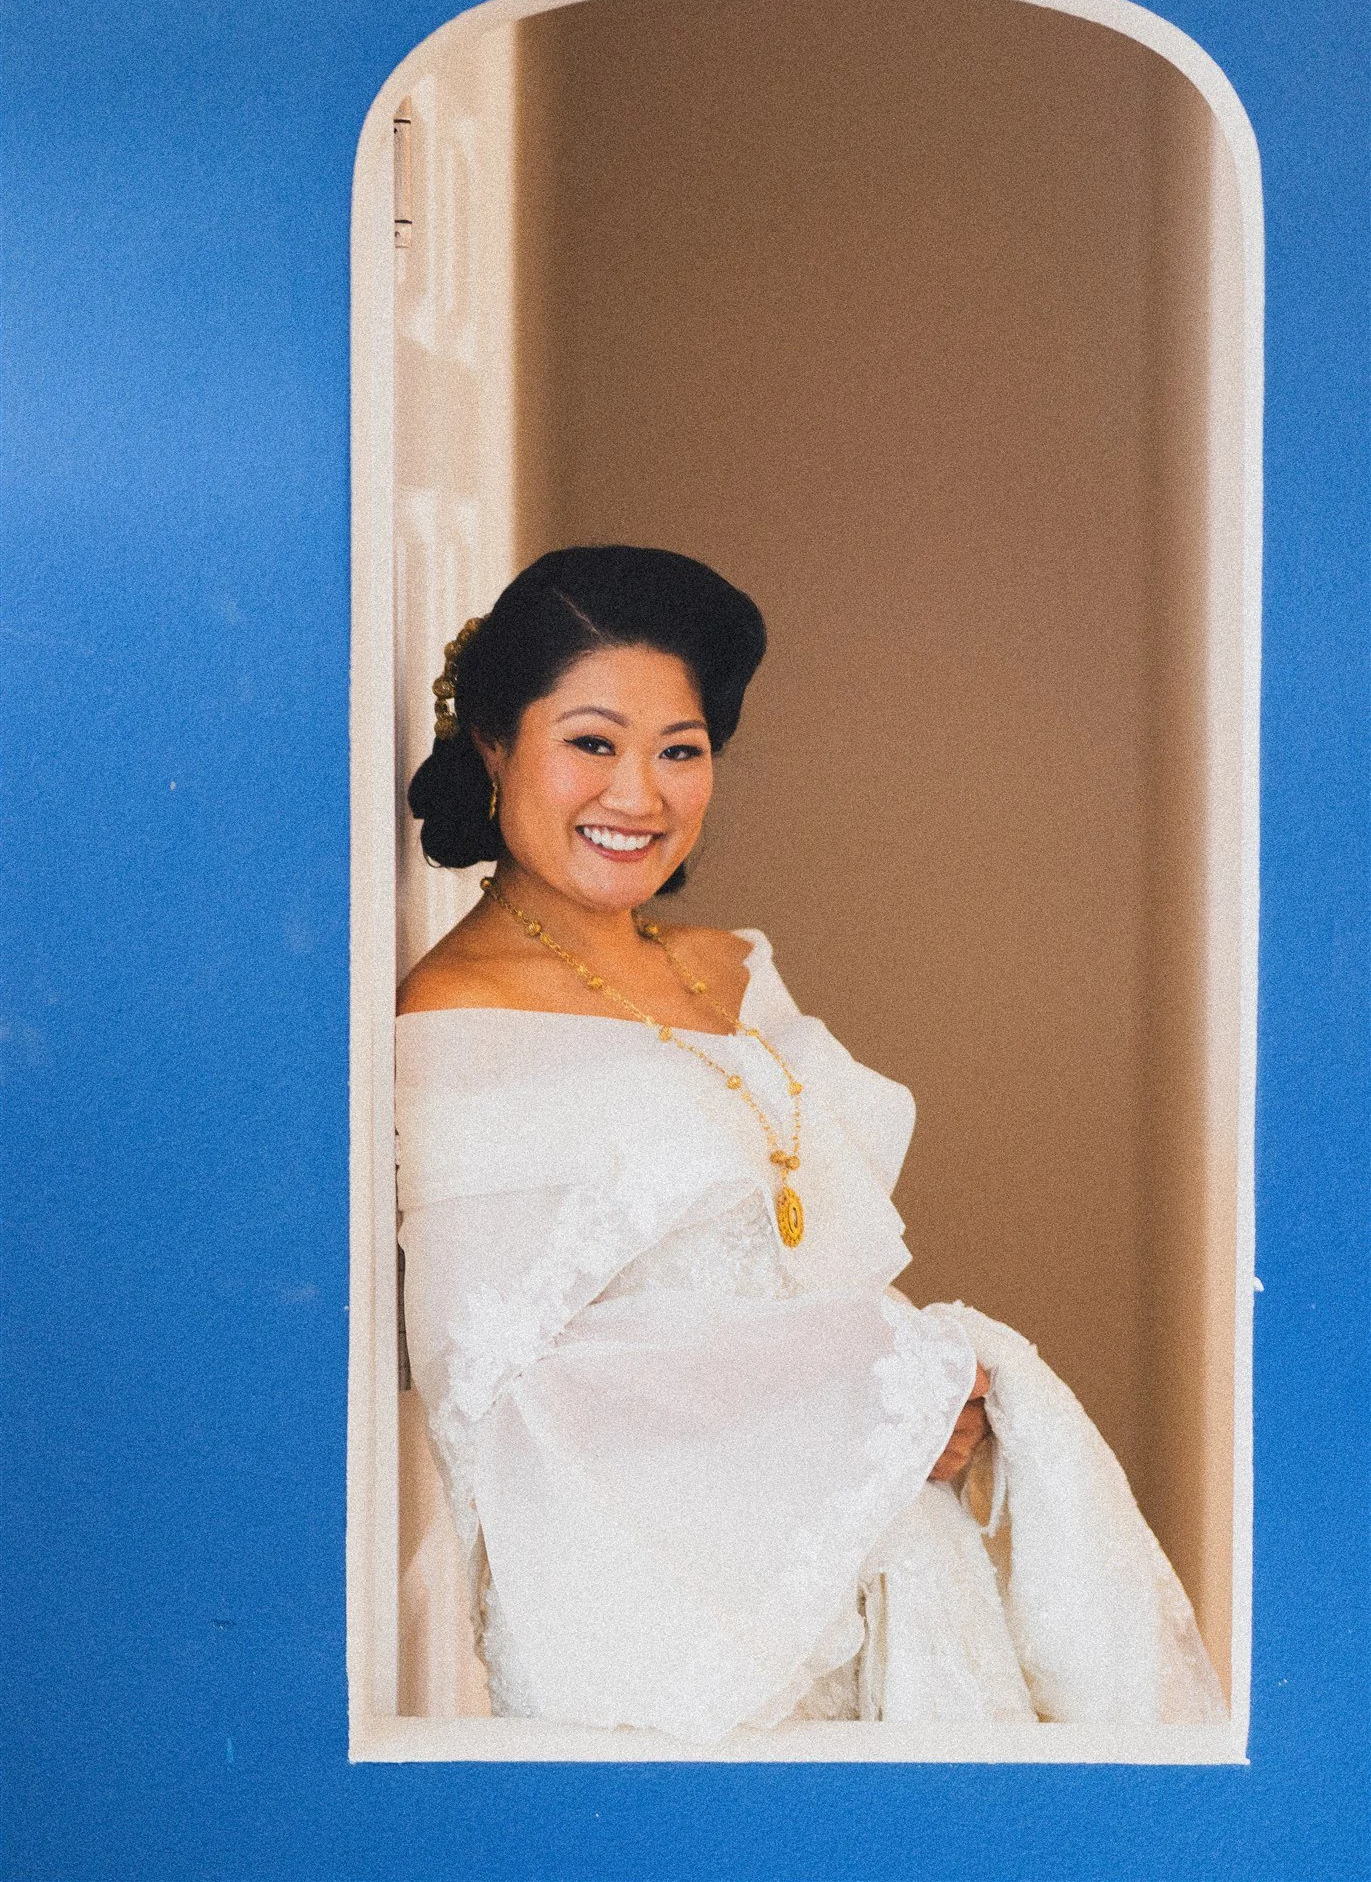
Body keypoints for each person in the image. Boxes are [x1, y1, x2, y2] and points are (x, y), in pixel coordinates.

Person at [394, 544, 1227, 1742]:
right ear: (492, 743)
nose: (639, 794)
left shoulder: (728, 965)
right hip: (683, 1627)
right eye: (592, 742)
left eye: (680, 750)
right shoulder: (456, 1021)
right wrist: (877, 1386)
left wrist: (910, 1395)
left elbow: (804, 1256)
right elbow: (505, 1392)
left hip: (872, 1544)